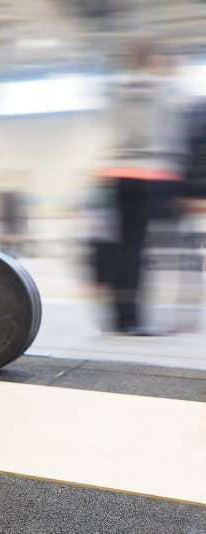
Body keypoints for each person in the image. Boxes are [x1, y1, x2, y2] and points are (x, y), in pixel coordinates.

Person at [98, 39, 187, 335]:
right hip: (154, 175)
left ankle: (121, 317)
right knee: (145, 250)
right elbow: (170, 134)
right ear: (152, 60)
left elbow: (111, 130)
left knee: (125, 248)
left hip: (121, 175)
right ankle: (139, 319)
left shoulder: (115, 91)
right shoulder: (163, 91)